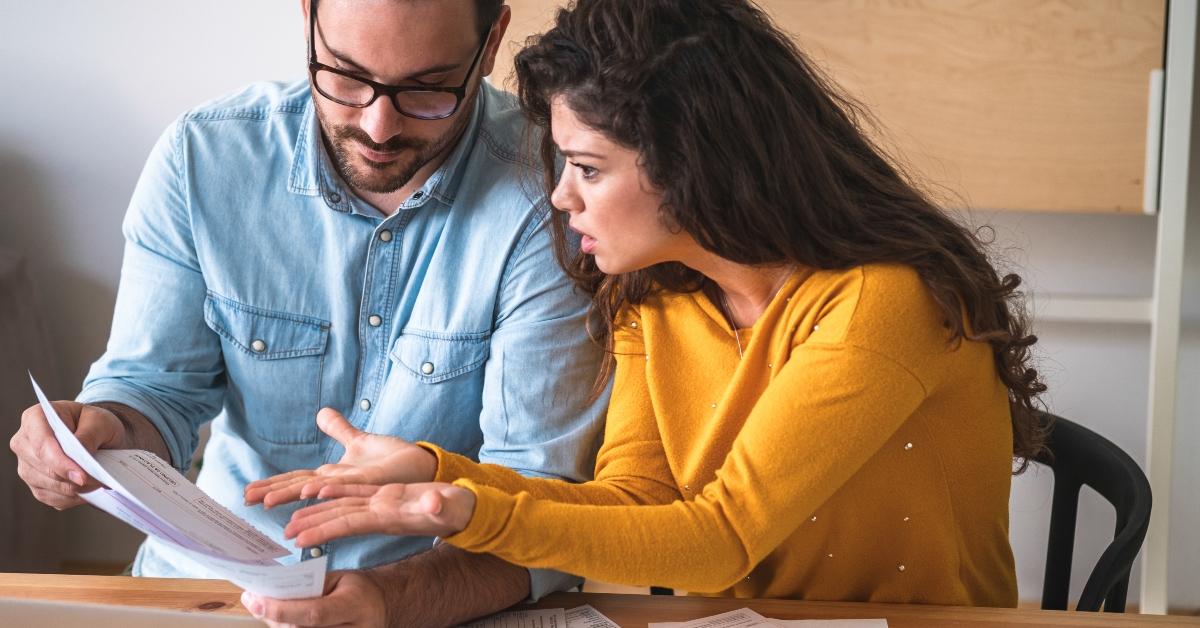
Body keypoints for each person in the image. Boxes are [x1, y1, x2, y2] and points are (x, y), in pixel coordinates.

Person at [251, 0, 1050, 608]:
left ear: (694, 164)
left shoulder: (881, 303)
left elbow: (720, 538)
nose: (561, 196)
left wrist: (464, 512)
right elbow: (636, 501)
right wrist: (439, 472)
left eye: (589, 168)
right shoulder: (656, 295)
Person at [8, 0, 610, 626]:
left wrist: (391, 600)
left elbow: (542, 503)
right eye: (346, 77)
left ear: (492, 43)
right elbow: (156, 390)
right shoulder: (204, 157)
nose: (378, 127)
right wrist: (103, 432)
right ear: (306, 19)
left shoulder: (557, 193)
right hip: (210, 589)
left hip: (435, 601)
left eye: (427, 89)